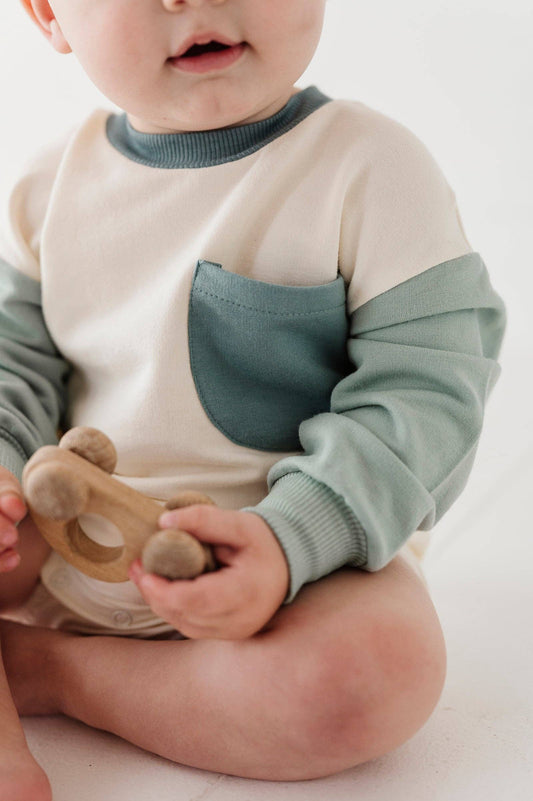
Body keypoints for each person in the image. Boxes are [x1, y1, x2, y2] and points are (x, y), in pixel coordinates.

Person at [0, 0, 505, 798]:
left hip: (298, 567)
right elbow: (14, 371)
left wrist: (289, 539)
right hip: (68, 529)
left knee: (375, 673)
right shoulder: (43, 187)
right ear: (48, 16)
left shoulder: (369, 167)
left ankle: (45, 671)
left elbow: (427, 396)